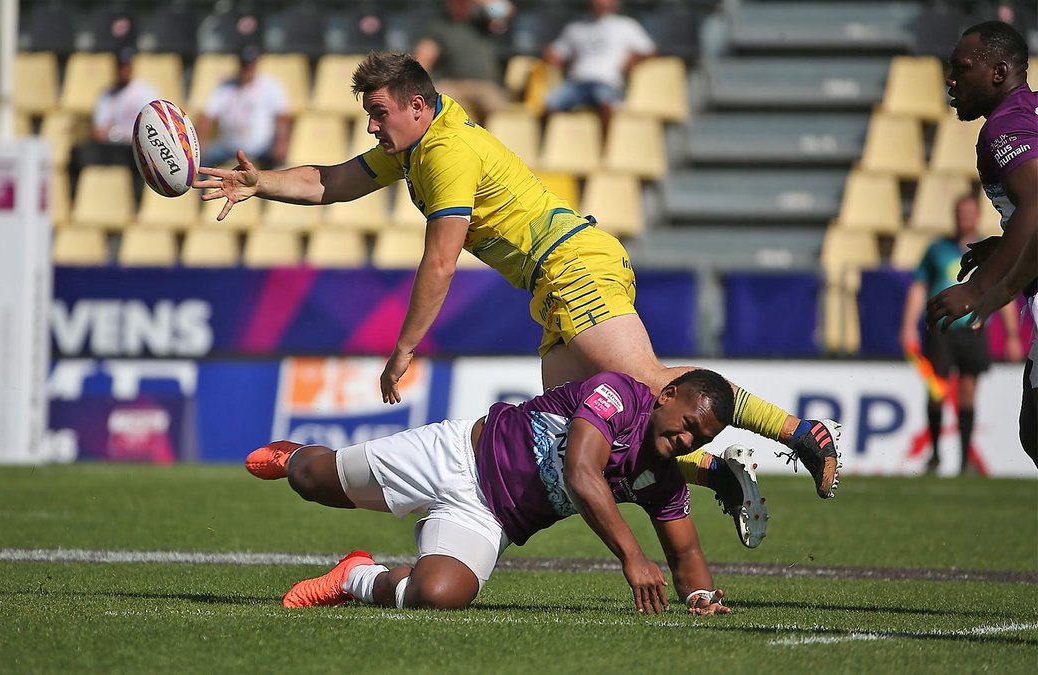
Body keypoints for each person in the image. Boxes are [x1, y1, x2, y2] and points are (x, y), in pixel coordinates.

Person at [193, 52, 841, 547]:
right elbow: (333, 181)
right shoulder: (417, 146)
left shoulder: (445, 153)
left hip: (573, 266)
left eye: (380, 112)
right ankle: (716, 474)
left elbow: (440, 259)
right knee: (560, 436)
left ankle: (799, 432)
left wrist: (404, 348)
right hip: (554, 286)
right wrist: (262, 183)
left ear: (418, 106)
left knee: (650, 384)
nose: (372, 124)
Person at [246, 369, 740, 615]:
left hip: (490, 519)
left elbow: (686, 551)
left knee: (438, 596)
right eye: (688, 426)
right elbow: (581, 473)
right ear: (668, 395)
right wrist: (632, 556)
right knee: (314, 482)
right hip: (456, 454)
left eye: (701, 440)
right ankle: (294, 457)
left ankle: (354, 577)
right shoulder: (618, 393)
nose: (688, 440)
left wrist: (699, 595)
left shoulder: (663, 477)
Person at [927, 20, 1037, 466]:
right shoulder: (1028, 112)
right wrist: (1006, 244)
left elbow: (1037, 206)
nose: (951, 79)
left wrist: (983, 291)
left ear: (998, 71)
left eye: (962, 67)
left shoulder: (1004, 127)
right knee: (1033, 429)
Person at [899, 194, 1023, 474]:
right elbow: (919, 287)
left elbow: (1004, 288)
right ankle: (934, 455)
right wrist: (908, 325)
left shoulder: (989, 251)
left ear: (977, 215)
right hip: (942, 330)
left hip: (973, 329)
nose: (964, 218)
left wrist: (1013, 333)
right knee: (936, 391)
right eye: (960, 212)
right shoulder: (936, 250)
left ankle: (964, 458)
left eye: (969, 213)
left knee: (968, 391)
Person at [541, 0, 656, 138]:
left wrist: (632, 60)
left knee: (604, 101)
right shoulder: (575, 28)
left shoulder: (627, 25)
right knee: (550, 102)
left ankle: (606, 148)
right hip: (577, 82)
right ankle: (549, 144)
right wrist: (550, 56)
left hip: (608, 82)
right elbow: (556, 54)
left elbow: (649, 51)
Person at [70, 47, 157, 200]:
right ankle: (78, 200)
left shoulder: (144, 91)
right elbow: (98, 131)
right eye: (119, 66)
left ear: (131, 67)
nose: (122, 70)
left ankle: (136, 203)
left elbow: (150, 127)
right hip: (110, 145)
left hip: (132, 146)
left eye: (125, 66)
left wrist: (117, 134)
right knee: (77, 153)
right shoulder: (106, 94)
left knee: (140, 159)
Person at [413, 0, 512, 124]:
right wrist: (417, 83)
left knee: (498, 110)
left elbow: (506, 10)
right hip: (452, 85)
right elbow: (425, 55)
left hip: (486, 85)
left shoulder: (484, 22)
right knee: (440, 107)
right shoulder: (439, 25)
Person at [196, 45, 291, 170]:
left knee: (276, 163)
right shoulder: (224, 86)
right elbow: (207, 116)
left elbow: (282, 117)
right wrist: (200, 144)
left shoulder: (271, 85)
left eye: (250, 63)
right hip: (229, 146)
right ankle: (201, 188)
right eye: (245, 64)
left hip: (261, 147)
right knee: (201, 159)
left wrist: (281, 143)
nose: (248, 68)